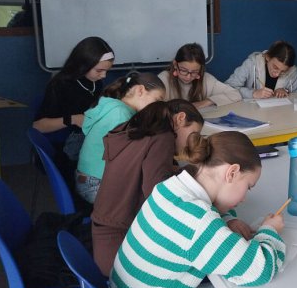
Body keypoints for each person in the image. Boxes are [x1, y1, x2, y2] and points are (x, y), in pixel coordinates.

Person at [110, 131, 285, 288]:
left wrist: (228, 221)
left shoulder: (170, 188)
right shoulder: (199, 221)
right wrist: (270, 230)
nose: (245, 198)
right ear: (232, 173)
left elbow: (208, 218)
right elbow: (260, 269)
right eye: (248, 187)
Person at [90, 99, 204, 275]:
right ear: (180, 118)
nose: (191, 143)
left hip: (104, 232)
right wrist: (194, 173)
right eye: (193, 134)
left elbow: (145, 169)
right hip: (120, 246)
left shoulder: (137, 130)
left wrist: (178, 171)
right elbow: (157, 193)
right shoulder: (163, 137)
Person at [33, 36, 115, 183]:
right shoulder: (60, 85)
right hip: (61, 148)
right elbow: (38, 126)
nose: (103, 76)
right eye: (99, 70)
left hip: (84, 143)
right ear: (83, 64)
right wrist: (73, 119)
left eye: (106, 71)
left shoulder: (95, 82)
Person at [75, 71, 166, 204]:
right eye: (157, 100)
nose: (158, 107)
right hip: (95, 184)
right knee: (151, 200)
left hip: (88, 179)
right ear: (140, 90)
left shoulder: (113, 107)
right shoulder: (121, 114)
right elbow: (129, 157)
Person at [159, 42, 241, 108]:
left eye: (194, 72)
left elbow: (235, 94)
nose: (188, 77)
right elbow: (153, 106)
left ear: (201, 69)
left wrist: (206, 102)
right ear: (175, 64)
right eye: (184, 70)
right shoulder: (164, 79)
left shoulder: (206, 79)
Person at [226, 40, 297, 99]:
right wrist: (253, 93)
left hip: (279, 112)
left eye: (283, 71)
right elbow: (228, 87)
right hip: (250, 111)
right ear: (267, 57)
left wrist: (286, 91)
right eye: (275, 67)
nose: (277, 74)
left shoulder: (292, 71)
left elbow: (296, 97)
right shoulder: (251, 63)